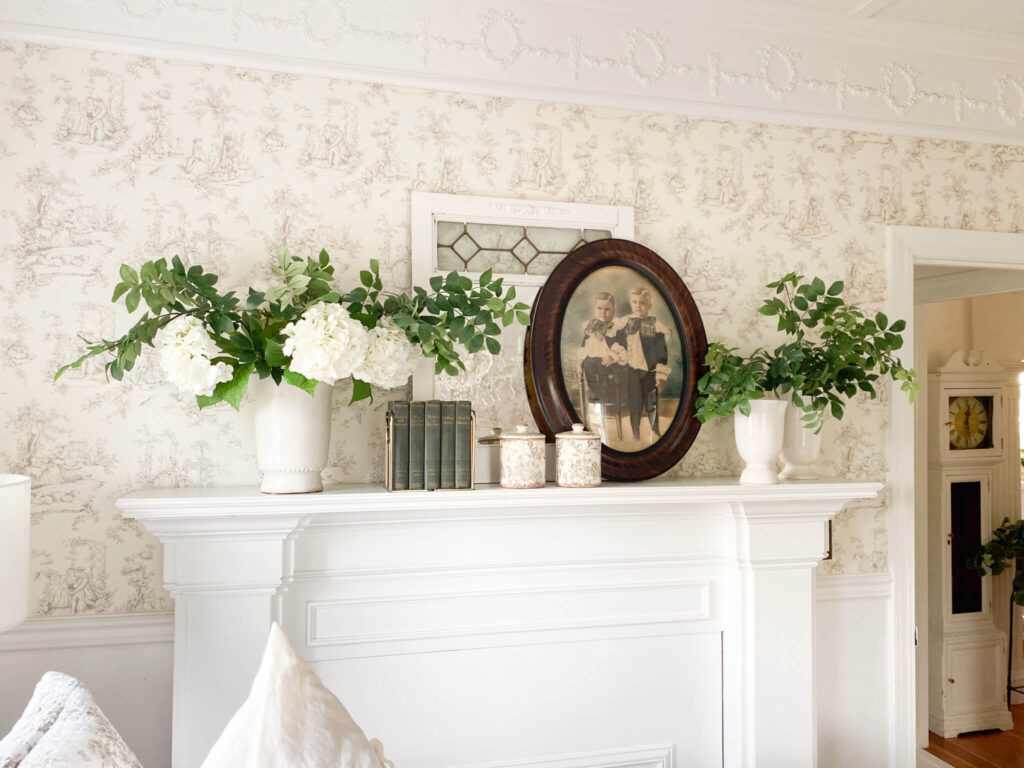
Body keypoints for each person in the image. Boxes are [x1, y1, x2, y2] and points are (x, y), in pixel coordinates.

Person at [612, 287, 670, 441]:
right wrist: (620, 353)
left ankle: (654, 430)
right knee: (634, 402)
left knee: (651, 402)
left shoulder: (655, 323)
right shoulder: (625, 322)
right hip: (631, 369)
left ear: (649, 305)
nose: (638, 306)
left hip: (649, 371)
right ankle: (635, 431)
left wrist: (660, 374)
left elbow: (662, 352)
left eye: (642, 303)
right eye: (635, 302)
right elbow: (615, 341)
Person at [578, 292, 625, 432]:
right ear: (594, 309)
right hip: (592, 365)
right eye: (599, 308)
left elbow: (622, 350)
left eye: (607, 309)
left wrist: (612, 357)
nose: (603, 312)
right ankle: (595, 414)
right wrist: (579, 361)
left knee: (600, 368)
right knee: (589, 363)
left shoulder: (615, 329)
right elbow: (584, 347)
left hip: (609, 365)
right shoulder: (590, 327)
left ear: (613, 310)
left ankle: (601, 408)